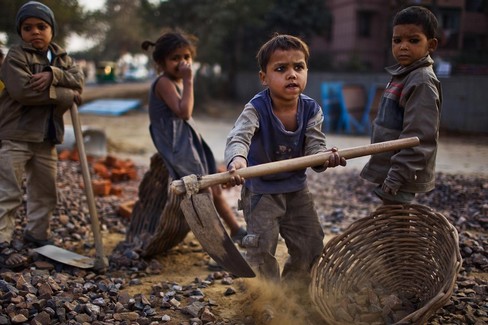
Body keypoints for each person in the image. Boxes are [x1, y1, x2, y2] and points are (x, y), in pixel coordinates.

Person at [224, 34, 346, 284]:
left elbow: (315, 148)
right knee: (261, 249)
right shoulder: (256, 108)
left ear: (306, 71)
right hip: (261, 192)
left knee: (310, 243)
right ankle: (266, 300)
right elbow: (239, 137)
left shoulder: (312, 109)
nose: (292, 74)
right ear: (264, 78)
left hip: (296, 191)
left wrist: (323, 158)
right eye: (281, 69)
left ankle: (294, 294)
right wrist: (237, 159)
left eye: (298, 67)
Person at [141, 30, 246, 246]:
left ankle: (235, 229)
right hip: (177, 147)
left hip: (187, 143)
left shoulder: (175, 81)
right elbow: (184, 112)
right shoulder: (164, 83)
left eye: (186, 57)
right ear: (161, 63)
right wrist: (189, 81)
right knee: (202, 192)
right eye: (175, 58)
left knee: (213, 187)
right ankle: (219, 242)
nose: (182, 63)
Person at [0, 1, 84, 269]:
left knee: (45, 192)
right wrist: (66, 94)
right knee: (8, 192)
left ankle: (36, 236)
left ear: (52, 30)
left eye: (42, 26)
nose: (35, 32)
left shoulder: (62, 58)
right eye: (28, 28)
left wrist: (52, 74)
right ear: (20, 32)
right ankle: (1, 243)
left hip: (47, 137)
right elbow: (24, 92)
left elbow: (79, 79)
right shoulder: (16, 57)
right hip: (16, 134)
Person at [360, 6, 442, 205]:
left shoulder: (421, 81)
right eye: (397, 40)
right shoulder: (403, 75)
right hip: (392, 169)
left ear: (431, 45)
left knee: (398, 225)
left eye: (413, 40)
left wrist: (397, 175)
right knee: (392, 223)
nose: (403, 46)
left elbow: (419, 137)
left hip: (403, 174)